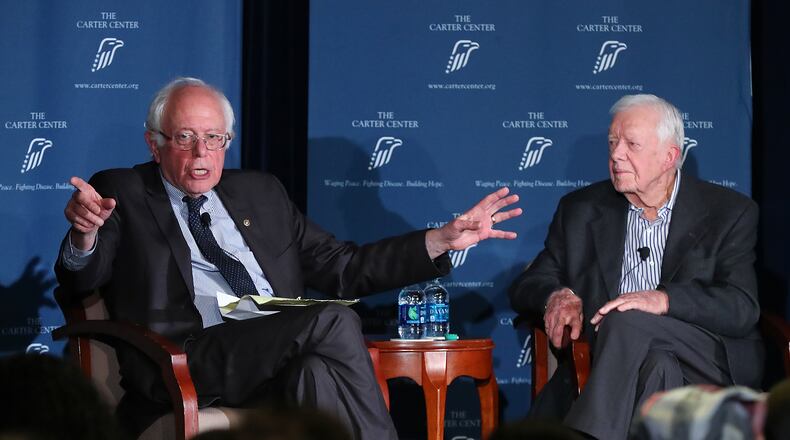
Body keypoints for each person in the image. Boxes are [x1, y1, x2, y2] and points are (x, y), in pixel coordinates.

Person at [55, 77, 522, 439]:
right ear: (153, 144)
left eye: (214, 138)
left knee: (315, 374)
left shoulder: (261, 193)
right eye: (184, 137)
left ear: (228, 142)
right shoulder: (124, 191)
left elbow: (344, 267)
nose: (201, 153)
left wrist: (440, 239)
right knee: (334, 322)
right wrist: (84, 236)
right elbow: (81, 280)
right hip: (189, 356)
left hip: (277, 350)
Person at [509, 94, 762, 439]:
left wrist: (664, 301)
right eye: (613, 142)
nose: (616, 155)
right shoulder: (580, 210)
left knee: (629, 317)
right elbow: (531, 282)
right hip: (619, 365)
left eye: (632, 144)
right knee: (657, 364)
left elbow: (741, 307)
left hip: (705, 359)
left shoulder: (729, 212)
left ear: (669, 157)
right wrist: (556, 295)